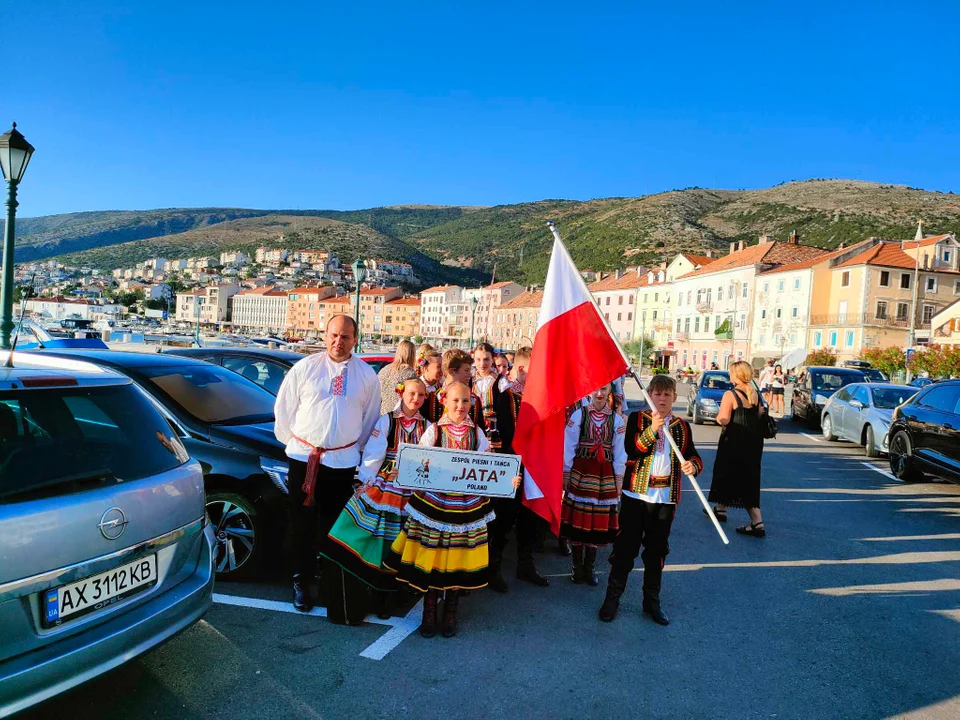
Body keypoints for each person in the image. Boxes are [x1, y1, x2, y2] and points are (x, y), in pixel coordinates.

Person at [384, 382, 521, 638]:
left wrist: (508, 481)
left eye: (466, 401)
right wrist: (401, 470)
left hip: (466, 506)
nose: (461, 406)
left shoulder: (477, 433)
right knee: (434, 555)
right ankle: (429, 611)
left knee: (457, 556)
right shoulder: (433, 431)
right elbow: (417, 463)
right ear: (445, 401)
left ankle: (450, 611)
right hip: (435, 504)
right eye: (456, 401)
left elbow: (489, 468)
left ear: (472, 403)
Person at [274, 315, 382, 613]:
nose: (339, 341)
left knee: (332, 526)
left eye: (345, 336)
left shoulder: (366, 376)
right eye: (334, 335)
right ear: (325, 335)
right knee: (300, 525)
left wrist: (350, 450)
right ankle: (300, 582)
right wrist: (301, 445)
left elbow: (370, 419)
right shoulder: (305, 368)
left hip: (342, 461)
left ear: (355, 339)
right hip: (304, 458)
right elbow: (283, 412)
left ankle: (327, 581)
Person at [321, 378, 430, 619]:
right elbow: (373, 453)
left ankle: (397, 592)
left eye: (421, 395)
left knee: (406, 541)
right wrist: (366, 481)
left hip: (414, 486)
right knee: (383, 539)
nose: (416, 398)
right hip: (389, 484)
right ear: (401, 394)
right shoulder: (388, 420)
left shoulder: (428, 426)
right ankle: (380, 592)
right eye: (412, 393)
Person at [599, 374, 702, 625]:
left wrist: (693, 466)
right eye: (657, 394)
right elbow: (632, 450)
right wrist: (653, 430)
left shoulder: (682, 426)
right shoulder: (638, 419)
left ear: (674, 397)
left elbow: (692, 455)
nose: (662, 399)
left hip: (665, 499)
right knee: (625, 549)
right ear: (649, 396)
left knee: (656, 552)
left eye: (667, 394)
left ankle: (651, 601)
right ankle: (612, 598)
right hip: (636, 496)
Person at [489, 346, 549, 592]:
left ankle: (525, 564)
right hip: (512, 466)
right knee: (504, 518)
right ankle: (493, 568)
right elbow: (507, 435)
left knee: (530, 516)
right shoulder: (507, 397)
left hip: (534, 465)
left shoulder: (540, 397)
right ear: (523, 369)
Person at [562, 383, 627, 586]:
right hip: (581, 472)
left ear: (610, 392)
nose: (599, 393)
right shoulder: (579, 415)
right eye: (595, 389)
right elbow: (569, 445)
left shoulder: (616, 420)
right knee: (578, 519)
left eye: (604, 389)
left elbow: (619, 452)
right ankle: (576, 566)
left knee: (596, 522)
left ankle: (589, 566)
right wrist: (566, 472)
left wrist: (618, 480)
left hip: (604, 475)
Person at [707, 360, 766, 538]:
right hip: (754, 443)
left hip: (734, 441)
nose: (729, 375)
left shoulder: (730, 395)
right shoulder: (755, 394)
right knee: (747, 477)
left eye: (731, 372)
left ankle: (757, 522)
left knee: (728, 473)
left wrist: (718, 418)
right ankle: (720, 508)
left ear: (736, 375)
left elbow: (724, 419)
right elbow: (760, 416)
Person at [422, 349, 484, 426]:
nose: (470, 374)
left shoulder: (474, 400)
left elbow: (480, 431)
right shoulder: (431, 399)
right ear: (452, 371)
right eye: (466, 370)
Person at [472, 342, 502, 448]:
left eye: (486, 359)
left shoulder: (500, 381)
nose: (482, 364)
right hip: (474, 427)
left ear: (493, 359)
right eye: (478, 359)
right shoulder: (470, 380)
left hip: (495, 429)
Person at [377, 340, 418, 414]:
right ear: (412, 354)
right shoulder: (409, 373)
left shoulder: (384, 370)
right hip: (399, 415)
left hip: (383, 414)